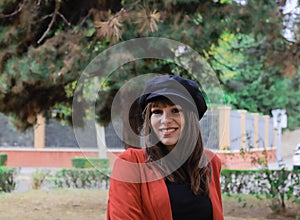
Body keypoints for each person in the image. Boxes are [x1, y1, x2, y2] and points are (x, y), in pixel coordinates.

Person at [107, 75, 223, 220]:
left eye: (175, 110)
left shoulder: (210, 163)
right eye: (157, 112)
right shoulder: (131, 164)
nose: (165, 120)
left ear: (191, 117)